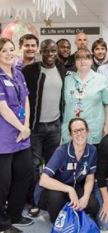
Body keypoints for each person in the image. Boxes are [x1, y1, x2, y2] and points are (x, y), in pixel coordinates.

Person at [22, 39, 66, 217]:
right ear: (40, 51)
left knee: (52, 164)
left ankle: (50, 198)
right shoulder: (30, 71)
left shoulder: (62, 69)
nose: (50, 54)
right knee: (33, 166)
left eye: (53, 51)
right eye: (46, 51)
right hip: (36, 128)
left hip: (55, 126)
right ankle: (34, 200)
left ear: (57, 52)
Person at [34, 118, 99, 223]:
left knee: (93, 205)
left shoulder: (92, 150)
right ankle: (58, 222)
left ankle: (71, 213)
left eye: (82, 129)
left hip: (73, 186)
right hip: (52, 190)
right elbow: (43, 180)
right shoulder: (62, 151)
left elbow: (90, 177)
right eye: (75, 131)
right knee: (56, 198)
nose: (79, 133)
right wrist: (70, 190)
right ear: (70, 135)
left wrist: (86, 196)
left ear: (87, 131)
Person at [0, 38, 33, 233]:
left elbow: (26, 100)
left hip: (23, 134)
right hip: (4, 137)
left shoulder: (18, 74)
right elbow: (3, 108)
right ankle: (2, 224)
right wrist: (21, 127)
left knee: (25, 174)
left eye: (11, 50)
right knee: (3, 182)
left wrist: (26, 125)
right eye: (4, 50)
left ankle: (14, 214)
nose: (9, 53)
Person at [61, 48, 108, 145]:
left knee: (93, 158)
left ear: (91, 61)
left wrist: (107, 125)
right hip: (71, 130)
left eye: (86, 58)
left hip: (93, 129)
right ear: (75, 62)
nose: (82, 61)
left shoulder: (101, 79)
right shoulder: (67, 80)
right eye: (79, 59)